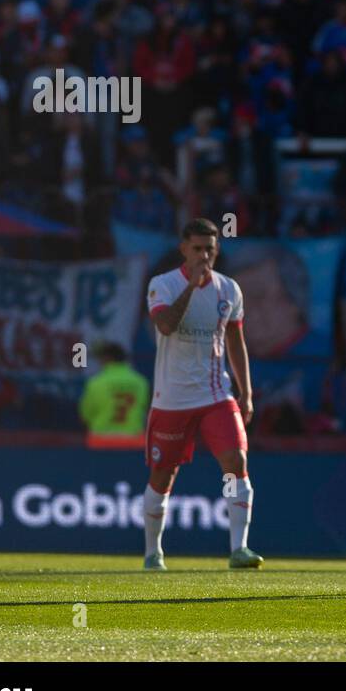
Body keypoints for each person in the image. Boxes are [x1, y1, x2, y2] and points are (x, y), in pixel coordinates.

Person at [143, 218, 262, 570]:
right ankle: (153, 552)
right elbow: (165, 325)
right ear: (184, 249)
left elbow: (235, 341)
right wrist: (191, 288)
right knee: (163, 476)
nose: (203, 255)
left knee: (235, 463)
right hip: (172, 398)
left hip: (215, 394)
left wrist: (246, 391)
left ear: (217, 250)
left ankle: (238, 549)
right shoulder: (162, 285)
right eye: (197, 248)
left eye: (209, 249)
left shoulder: (229, 290)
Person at [79, 343, 150, 449]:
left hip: (101, 442)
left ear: (106, 358)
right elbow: (146, 411)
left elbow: (85, 414)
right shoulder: (141, 382)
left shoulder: (95, 382)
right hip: (134, 441)